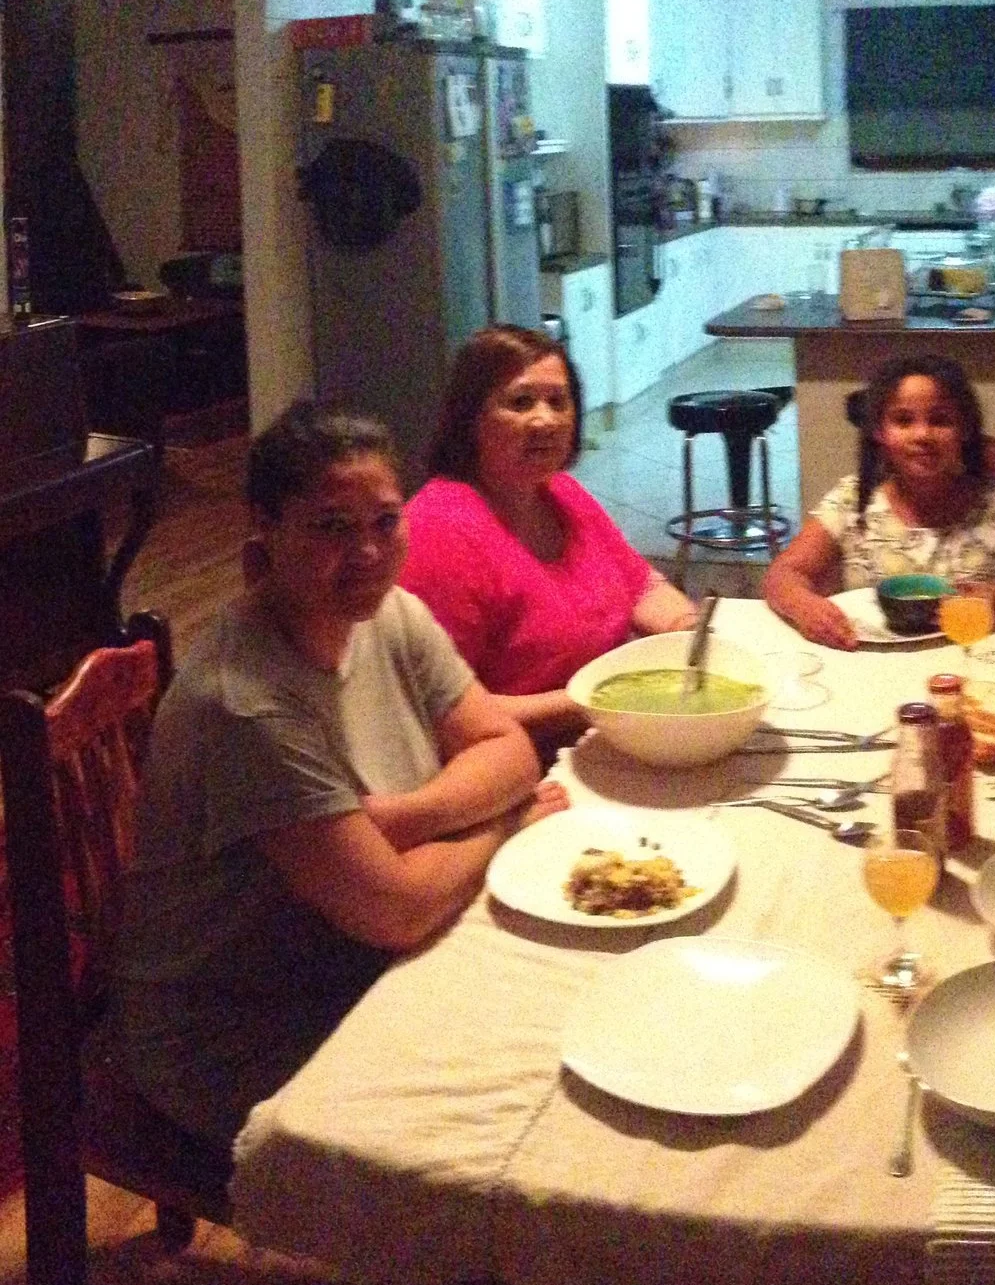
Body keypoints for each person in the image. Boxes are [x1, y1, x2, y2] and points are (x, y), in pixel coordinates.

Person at [113, 404, 564, 1149]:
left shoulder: (389, 615)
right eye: (329, 525)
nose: (366, 552)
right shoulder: (247, 703)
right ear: (266, 526)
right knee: (515, 1115)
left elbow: (508, 747)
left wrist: (401, 818)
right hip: (239, 1033)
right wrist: (509, 821)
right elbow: (395, 908)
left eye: (385, 521)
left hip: (352, 965)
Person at [399, 325, 700, 747]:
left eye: (558, 402)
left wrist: (686, 629)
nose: (545, 420)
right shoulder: (439, 528)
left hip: (604, 731)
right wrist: (602, 697)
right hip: (519, 762)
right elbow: (443, 709)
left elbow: (641, 584)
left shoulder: (560, 492)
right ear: (471, 420)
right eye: (520, 402)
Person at [763, 354, 995, 649]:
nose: (922, 434)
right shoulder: (853, 500)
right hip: (872, 670)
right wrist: (805, 607)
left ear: (964, 429)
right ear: (879, 432)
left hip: (982, 661)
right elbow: (784, 573)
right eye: (903, 420)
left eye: (940, 420)